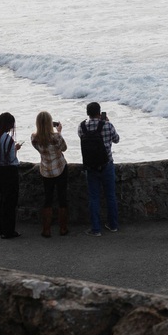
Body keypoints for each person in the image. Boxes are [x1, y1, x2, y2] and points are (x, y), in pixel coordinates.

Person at [78, 102, 120, 236]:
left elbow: (82, 138)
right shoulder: (107, 125)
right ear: (99, 112)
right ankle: (113, 225)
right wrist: (107, 122)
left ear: (87, 113)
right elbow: (117, 139)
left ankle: (96, 229)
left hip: (90, 166)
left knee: (94, 197)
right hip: (106, 164)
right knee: (110, 196)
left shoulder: (82, 126)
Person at [31, 111, 69, 237]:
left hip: (46, 170)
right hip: (60, 169)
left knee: (48, 199)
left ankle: (46, 229)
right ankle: (63, 228)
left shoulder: (34, 138)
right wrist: (59, 132)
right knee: (62, 197)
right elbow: (64, 148)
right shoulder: (56, 137)